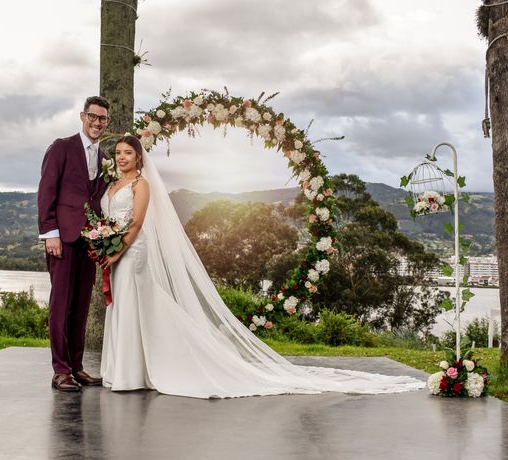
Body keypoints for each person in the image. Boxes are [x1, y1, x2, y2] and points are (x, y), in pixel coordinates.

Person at [98, 135, 425, 399]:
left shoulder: (141, 185)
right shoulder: (112, 186)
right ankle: (125, 370)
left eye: (129, 152)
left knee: (130, 303)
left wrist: (117, 250)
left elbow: (138, 222)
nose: (123, 157)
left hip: (132, 251)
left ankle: (133, 373)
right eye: (119, 153)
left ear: (139, 158)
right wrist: (102, 244)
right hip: (114, 252)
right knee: (122, 306)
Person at [37, 96, 111, 392]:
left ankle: (77, 367)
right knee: (61, 305)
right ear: (83, 116)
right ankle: (60, 370)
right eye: (92, 116)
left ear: (107, 122)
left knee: (80, 306)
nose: (97, 122)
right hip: (62, 239)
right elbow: (46, 191)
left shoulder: (105, 156)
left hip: (89, 242)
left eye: (102, 118)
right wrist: (50, 233)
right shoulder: (62, 147)